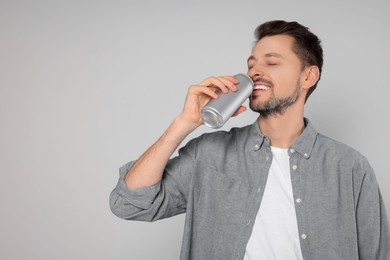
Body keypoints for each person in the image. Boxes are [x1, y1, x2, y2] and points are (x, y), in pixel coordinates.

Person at [110, 20, 390, 259]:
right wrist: (183, 123)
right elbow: (129, 204)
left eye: (272, 62)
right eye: (252, 64)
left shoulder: (350, 167)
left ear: (308, 76)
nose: (255, 71)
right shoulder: (210, 154)